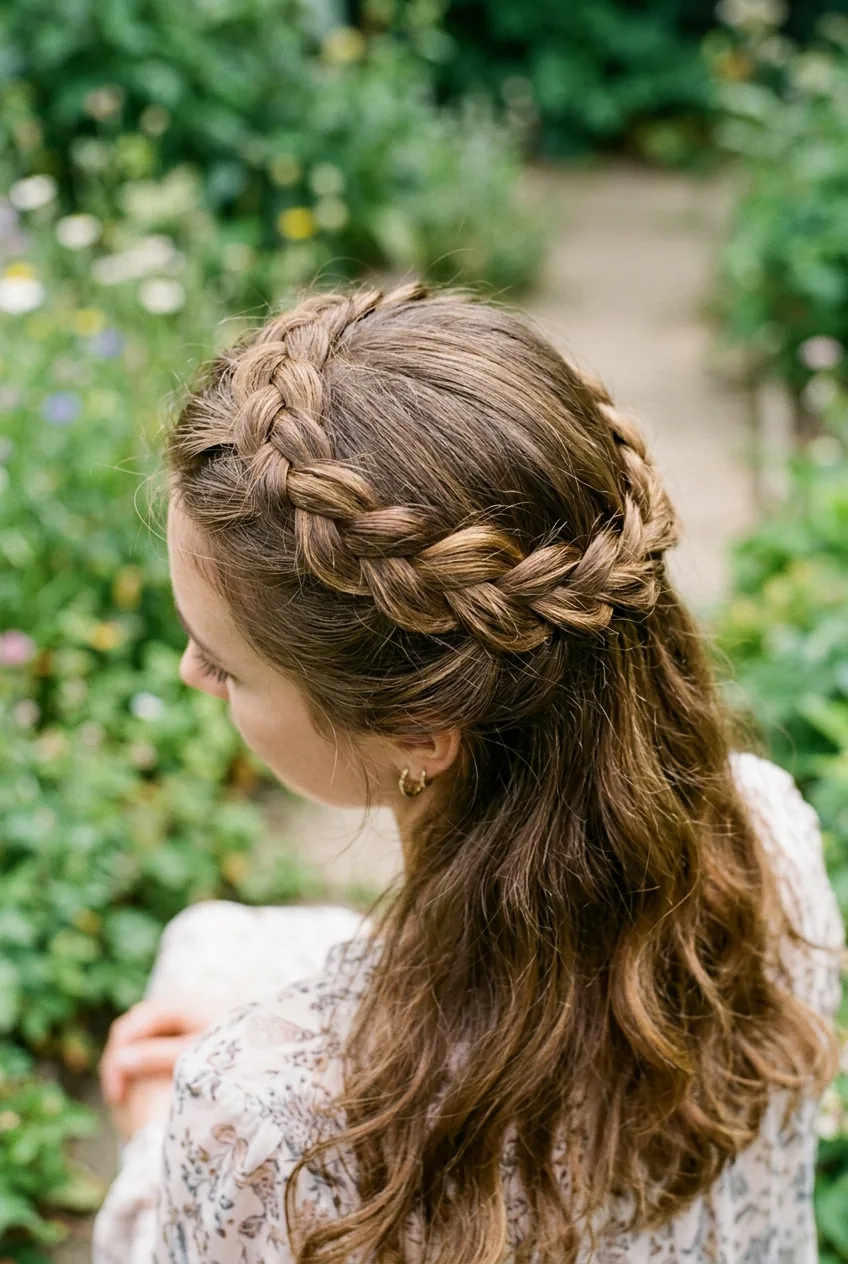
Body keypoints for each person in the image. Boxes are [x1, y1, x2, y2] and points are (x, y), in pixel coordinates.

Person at [93, 282, 844, 1264]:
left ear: (418, 727)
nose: (193, 672)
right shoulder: (767, 836)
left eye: (226, 664)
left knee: (198, 957)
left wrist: (158, 1136)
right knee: (217, 946)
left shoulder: (261, 1122)